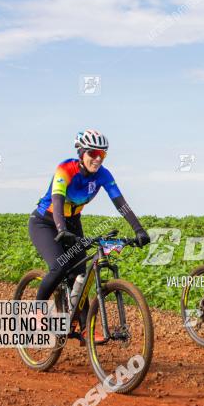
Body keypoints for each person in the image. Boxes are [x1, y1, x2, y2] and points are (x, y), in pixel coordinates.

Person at [29, 129, 150, 341]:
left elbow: (120, 203)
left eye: (102, 155)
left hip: (73, 222)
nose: (97, 159)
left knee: (81, 275)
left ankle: (85, 327)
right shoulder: (65, 169)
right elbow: (57, 201)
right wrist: (60, 229)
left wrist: (138, 229)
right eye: (93, 153)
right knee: (59, 266)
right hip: (46, 222)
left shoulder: (103, 174)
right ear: (81, 153)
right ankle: (37, 311)